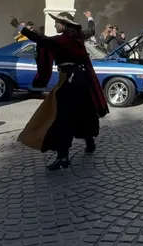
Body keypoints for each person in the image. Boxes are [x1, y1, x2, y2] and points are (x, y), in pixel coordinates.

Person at [13, 12, 107, 170]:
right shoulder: (78, 36)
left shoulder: (63, 40)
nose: (55, 25)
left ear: (64, 24)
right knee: (84, 111)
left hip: (70, 81)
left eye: (57, 23)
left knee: (61, 117)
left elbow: (42, 40)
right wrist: (90, 18)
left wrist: (21, 27)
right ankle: (90, 143)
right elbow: (91, 30)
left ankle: (63, 156)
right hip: (83, 81)